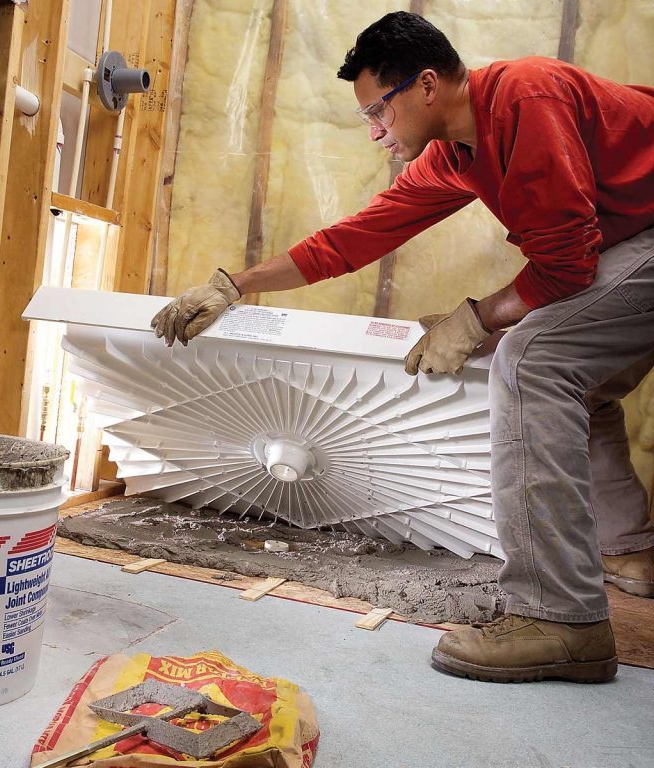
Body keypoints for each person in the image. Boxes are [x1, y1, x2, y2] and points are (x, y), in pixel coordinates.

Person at [151, 11, 654, 683]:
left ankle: (559, 618)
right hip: (633, 237)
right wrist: (233, 286)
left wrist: (478, 319)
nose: (373, 131)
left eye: (376, 113)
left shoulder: (525, 96)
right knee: (571, 376)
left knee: (533, 360)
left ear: (424, 86)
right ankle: (626, 552)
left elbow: (567, 262)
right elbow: (353, 241)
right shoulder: (454, 153)